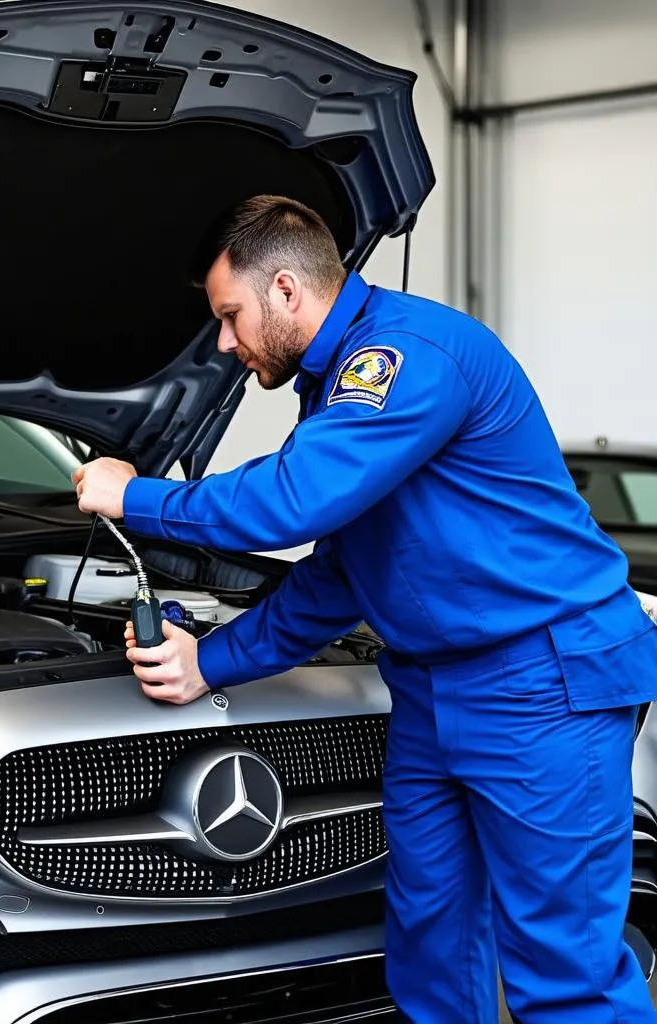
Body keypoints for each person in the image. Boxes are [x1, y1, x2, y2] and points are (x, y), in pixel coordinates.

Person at [72, 195, 657, 1023]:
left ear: (284, 288)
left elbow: (293, 502)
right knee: (431, 950)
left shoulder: (406, 357)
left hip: (543, 683)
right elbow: (342, 573)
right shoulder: (333, 390)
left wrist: (139, 498)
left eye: (231, 317)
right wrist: (209, 660)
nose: (226, 344)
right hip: (429, 690)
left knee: (561, 969)